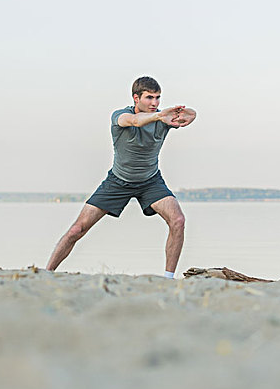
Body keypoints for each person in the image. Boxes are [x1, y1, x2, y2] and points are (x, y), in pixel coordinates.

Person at [45, 76, 196, 278]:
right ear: (136, 98)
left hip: (150, 181)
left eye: (158, 98)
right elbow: (134, 121)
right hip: (117, 182)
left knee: (178, 220)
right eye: (149, 97)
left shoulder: (163, 119)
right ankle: (46, 273)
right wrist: (160, 116)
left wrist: (187, 115)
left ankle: (168, 279)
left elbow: (191, 114)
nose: (155, 102)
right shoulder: (122, 115)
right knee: (77, 230)